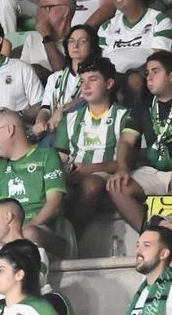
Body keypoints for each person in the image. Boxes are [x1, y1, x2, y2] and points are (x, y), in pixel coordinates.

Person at [54, 57, 139, 231]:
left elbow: (126, 163)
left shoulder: (125, 116)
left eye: (93, 80)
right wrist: (65, 170)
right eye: (83, 81)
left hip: (105, 174)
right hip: (75, 174)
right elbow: (59, 158)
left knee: (91, 184)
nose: (86, 86)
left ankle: (69, 238)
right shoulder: (70, 118)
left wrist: (88, 169)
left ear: (109, 84)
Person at [0, 110, 67, 249]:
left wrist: (20, 232)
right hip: (10, 234)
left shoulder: (47, 156)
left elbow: (55, 204)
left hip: (45, 230)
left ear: (10, 130)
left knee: (29, 234)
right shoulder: (1, 167)